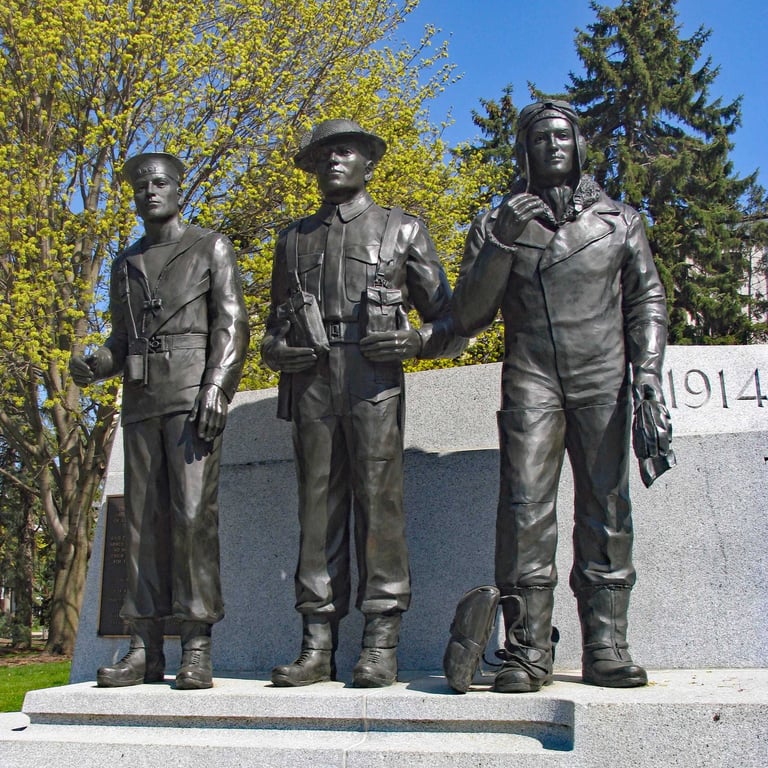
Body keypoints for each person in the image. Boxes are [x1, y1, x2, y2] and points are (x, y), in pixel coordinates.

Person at [452, 101, 673, 693]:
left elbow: (647, 300)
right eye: (540, 138)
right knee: (525, 510)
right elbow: (468, 315)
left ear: (579, 145)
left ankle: (607, 643)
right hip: (532, 376)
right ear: (523, 151)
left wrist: (646, 372)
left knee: (606, 505)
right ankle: (526, 649)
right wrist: (499, 242)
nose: (553, 145)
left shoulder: (621, 220)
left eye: (562, 136)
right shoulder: (497, 222)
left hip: (603, 374)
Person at [262, 119, 465, 688]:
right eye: (324, 154)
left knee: (380, 508)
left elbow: (452, 320)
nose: (333, 161)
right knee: (317, 512)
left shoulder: (402, 231)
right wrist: (279, 352)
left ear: (368, 163)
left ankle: (381, 644)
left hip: (374, 378)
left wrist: (415, 342)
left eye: (345, 151)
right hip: (313, 382)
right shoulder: (293, 239)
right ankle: (317, 645)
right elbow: (274, 329)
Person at [70, 152, 249, 690]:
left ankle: (196, 646)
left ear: (178, 190)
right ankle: (143, 648)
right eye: (142, 185)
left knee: (193, 517)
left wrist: (218, 386)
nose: (151, 191)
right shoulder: (126, 264)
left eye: (161, 183)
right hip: (142, 402)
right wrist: (96, 362)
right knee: (143, 524)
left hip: (194, 398)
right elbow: (120, 342)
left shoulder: (209, 246)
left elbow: (232, 323)